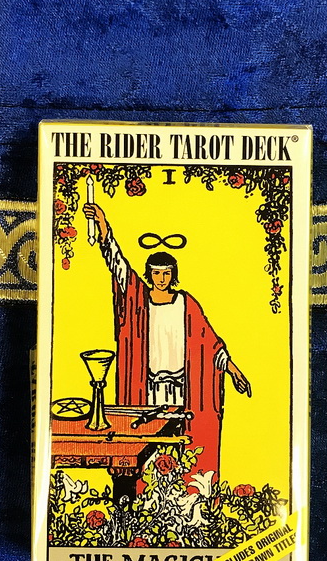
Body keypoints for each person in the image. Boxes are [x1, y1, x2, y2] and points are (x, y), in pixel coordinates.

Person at [83, 202, 251, 482]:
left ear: (173, 274)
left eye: (166, 273)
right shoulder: (138, 299)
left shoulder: (186, 304)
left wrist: (234, 371)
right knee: (148, 451)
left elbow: (211, 345)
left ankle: (183, 500)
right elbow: (117, 264)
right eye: (156, 273)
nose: (161, 279)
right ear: (148, 274)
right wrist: (103, 226)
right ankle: (147, 499)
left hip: (183, 393)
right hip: (148, 393)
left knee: (181, 450)